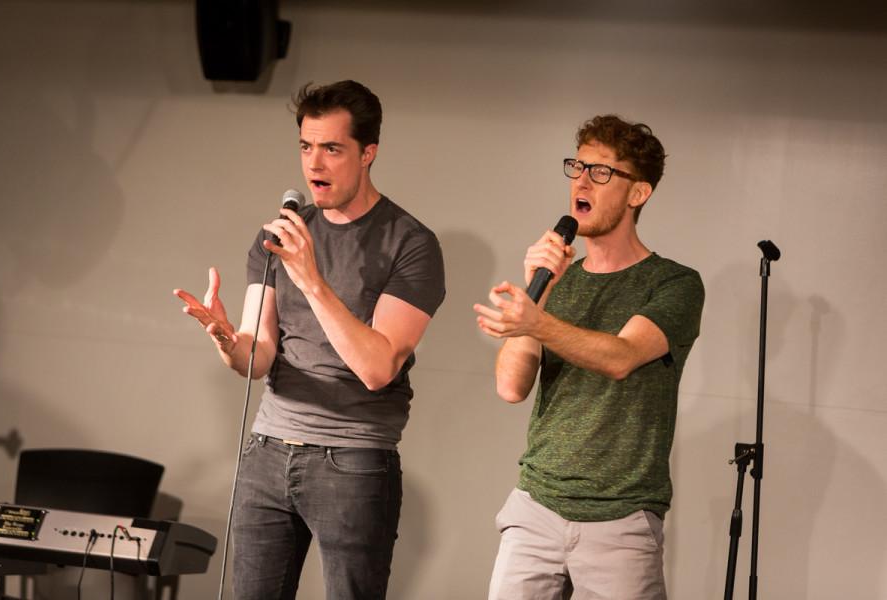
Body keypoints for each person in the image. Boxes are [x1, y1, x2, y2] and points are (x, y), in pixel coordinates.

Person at [174, 80, 445, 600]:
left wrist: (311, 278)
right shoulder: (280, 235)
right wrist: (228, 340)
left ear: (368, 153)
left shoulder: (411, 244)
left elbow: (377, 367)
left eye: (331, 149)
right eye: (305, 147)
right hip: (268, 450)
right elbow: (258, 357)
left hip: (354, 460)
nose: (314, 164)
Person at [473, 115, 704, 599]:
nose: (581, 180)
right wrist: (538, 293)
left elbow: (622, 357)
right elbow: (511, 388)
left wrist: (534, 321)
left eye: (601, 172)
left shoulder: (673, 283)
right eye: (577, 167)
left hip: (621, 521)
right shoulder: (558, 281)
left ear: (637, 194)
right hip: (535, 506)